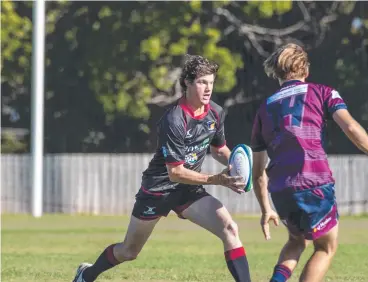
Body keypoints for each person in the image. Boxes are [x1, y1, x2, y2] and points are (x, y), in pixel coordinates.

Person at [73, 55, 252, 282]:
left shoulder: (215, 113)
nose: (208, 88)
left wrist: (239, 168)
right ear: (187, 82)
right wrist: (218, 179)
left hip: (188, 190)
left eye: (211, 82)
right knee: (129, 251)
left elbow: (219, 149)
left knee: (230, 229)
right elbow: (175, 172)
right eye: (201, 82)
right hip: (159, 189)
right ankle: (86, 275)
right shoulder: (174, 119)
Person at [250, 43, 368, 282]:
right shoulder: (322, 92)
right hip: (314, 182)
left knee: (296, 241)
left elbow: (258, 172)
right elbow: (349, 125)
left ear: (277, 73)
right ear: (305, 70)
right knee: (325, 248)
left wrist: (266, 208)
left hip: (281, 189)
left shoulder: (264, 108)